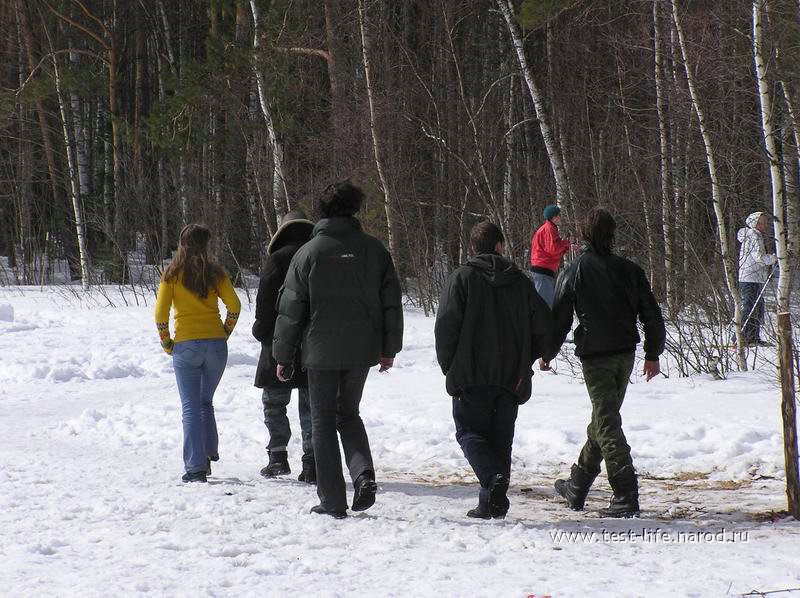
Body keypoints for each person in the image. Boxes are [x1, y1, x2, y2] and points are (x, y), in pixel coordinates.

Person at [273, 180, 403, 519]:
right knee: (349, 414)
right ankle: (363, 474)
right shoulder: (375, 250)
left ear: (323, 211)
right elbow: (391, 304)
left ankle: (332, 499)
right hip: (361, 350)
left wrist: (283, 356)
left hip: (319, 351)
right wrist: (389, 348)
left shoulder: (309, 253)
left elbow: (291, 309)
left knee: (323, 420)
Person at [543, 207, 665, 518]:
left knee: (607, 423)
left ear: (584, 234)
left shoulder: (574, 270)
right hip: (624, 353)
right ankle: (578, 483)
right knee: (604, 418)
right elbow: (651, 314)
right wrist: (652, 353)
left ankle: (626, 493)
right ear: (612, 234)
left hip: (596, 356)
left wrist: (546, 352)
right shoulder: (630, 270)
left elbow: (558, 320)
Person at [435, 222, 552, 520]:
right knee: (501, 438)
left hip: (471, 374)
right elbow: (545, 327)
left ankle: (490, 479)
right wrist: (527, 358)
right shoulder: (521, 282)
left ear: (474, 247)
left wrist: (450, 365)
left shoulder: (461, 278)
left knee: (469, 432)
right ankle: (492, 503)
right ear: (499, 245)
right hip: (510, 376)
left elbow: (446, 327)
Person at [155, 224, 241, 483]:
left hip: (186, 346)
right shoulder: (216, 273)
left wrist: (167, 342)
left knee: (191, 406)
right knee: (205, 401)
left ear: (181, 244)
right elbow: (234, 306)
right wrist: (224, 332)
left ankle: (195, 468)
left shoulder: (171, 274)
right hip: (216, 345)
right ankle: (208, 453)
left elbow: (160, 314)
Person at [253, 210, 315, 482]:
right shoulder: (317, 256)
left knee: (274, 402)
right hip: (313, 341)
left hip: (277, 340)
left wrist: (262, 331)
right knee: (310, 406)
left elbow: (265, 299)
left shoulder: (276, 259)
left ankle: (277, 456)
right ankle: (312, 461)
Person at [737, 211, 776, 347]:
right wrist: (774, 258)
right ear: (755, 223)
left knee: (757, 307)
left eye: (766, 222)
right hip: (750, 277)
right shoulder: (754, 236)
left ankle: (752, 337)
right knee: (749, 307)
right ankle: (739, 338)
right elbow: (759, 258)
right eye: (762, 223)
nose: (765, 225)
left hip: (754, 277)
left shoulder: (753, 235)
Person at [529, 204, 571, 308]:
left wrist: (566, 246)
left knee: (547, 303)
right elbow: (553, 249)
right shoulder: (549, 229)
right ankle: (543, 323)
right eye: (558, 215)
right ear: (553, 217)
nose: (560, 217)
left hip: (544, 270)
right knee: (545, 306)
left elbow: (554, 249)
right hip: (542, 270)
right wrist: (566, 243)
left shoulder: (550, 228)